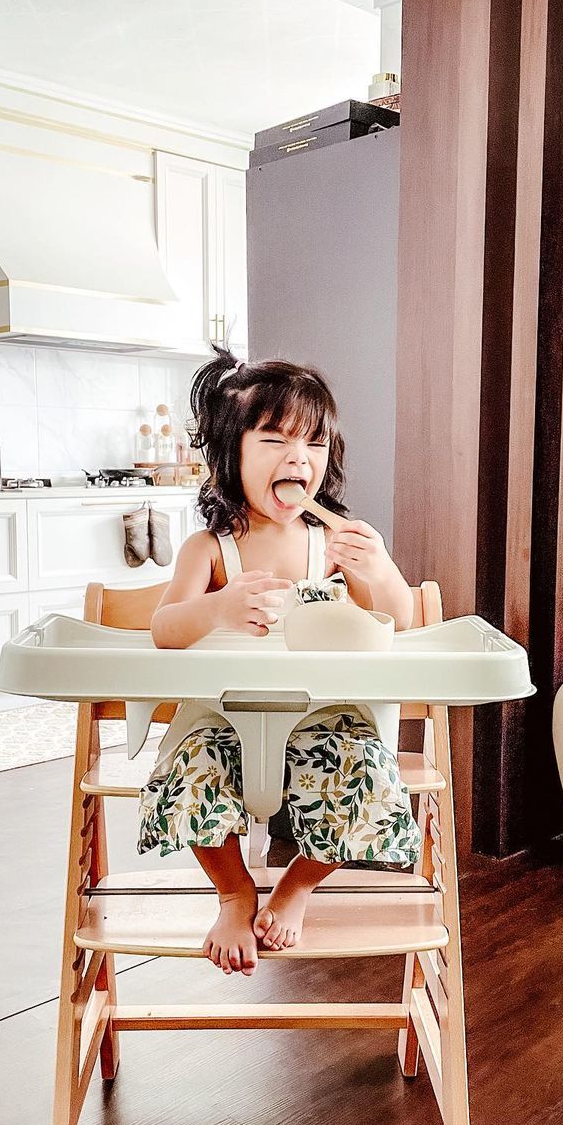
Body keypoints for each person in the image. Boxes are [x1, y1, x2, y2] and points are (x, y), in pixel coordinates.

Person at [138, 346, 420, 975]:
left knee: (368, 779)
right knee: (189, 774)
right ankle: (234, 891)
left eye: (314, 444)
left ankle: (296, 886)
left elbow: (399, 620)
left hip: (324, 720)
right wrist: (215, 610)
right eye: (274, 439)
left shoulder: (335, 547)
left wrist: (379, 568)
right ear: (226, 457)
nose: (299, 458)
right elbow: (163, 628)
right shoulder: (210, 550)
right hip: (222, 716)